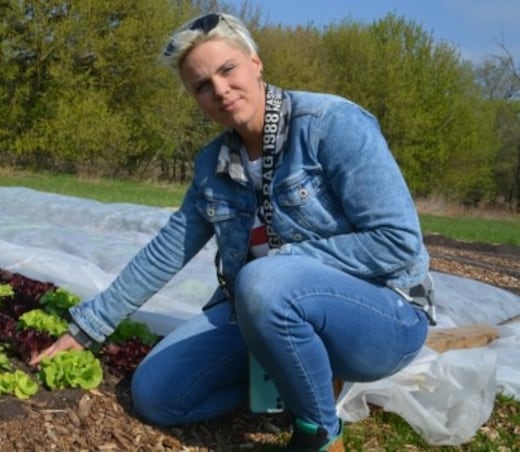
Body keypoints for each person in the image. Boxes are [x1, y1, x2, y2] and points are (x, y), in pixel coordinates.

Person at [30, 12, 434, 451]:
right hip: (264, 309)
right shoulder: (213, 166)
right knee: (158, 394)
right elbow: (165, 253)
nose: (219, 90)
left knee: (264, 278)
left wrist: (284, 264)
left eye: (227, 70)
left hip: (382, 314)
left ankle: (318, 431)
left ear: (255, 63)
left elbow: (397, 243)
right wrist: (85, 330)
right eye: (201, 85)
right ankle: (289, 381)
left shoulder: (330, 124)